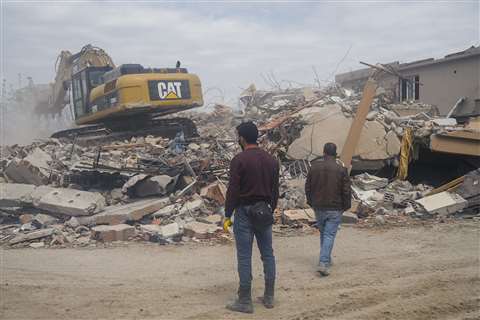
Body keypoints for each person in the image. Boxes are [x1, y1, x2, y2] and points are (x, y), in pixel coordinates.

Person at [223, 121, 280, 314]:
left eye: (238, 135)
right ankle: (269, 297)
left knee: (244, 256)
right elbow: (275, 190)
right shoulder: (271, 160)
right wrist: (270, 208)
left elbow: (233, 190)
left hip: (244, 212)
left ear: (242, 138)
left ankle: (245, 301)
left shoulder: (239, 160)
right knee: (268, 254)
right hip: (264, 211)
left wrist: (227, 214)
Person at [305, 142, 351, 276]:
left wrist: (311, 202)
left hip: (318, 207)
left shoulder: (314, 168)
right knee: (329, 234)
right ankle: (323, 263)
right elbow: (346, 190)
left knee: (324, 233)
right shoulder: (341, 170)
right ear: (335, 155)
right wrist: (346, 206)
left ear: (324, 153)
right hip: (335, 208)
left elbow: (308, 187)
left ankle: (326, 258)